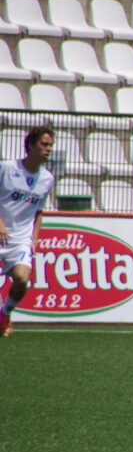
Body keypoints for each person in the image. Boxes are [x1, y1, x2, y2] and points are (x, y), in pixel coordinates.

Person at [0, 126, 56, 338]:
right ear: (30, 145)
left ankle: (5, 315)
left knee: (22, 278)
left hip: (20, 239)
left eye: (50, 145)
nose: (48, 149)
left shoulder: (47, 179)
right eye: (43, 144)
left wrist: (34, 239)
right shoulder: (6, 168)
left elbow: (39, 211)